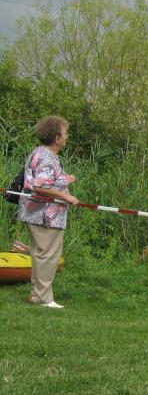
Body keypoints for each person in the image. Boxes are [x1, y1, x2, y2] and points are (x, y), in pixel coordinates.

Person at [18, 116, 79, 309]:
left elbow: (43, 180)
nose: (66, 136)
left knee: (40, 254)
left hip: (35, 212)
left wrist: (64, 179)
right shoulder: (47, 156)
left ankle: (36, 294)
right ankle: (44, 298)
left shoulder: (40, 152)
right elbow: (40, 185)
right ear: (56, 137)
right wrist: (66, 196)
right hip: (46, 215)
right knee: (48, 255)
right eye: (65, 133)